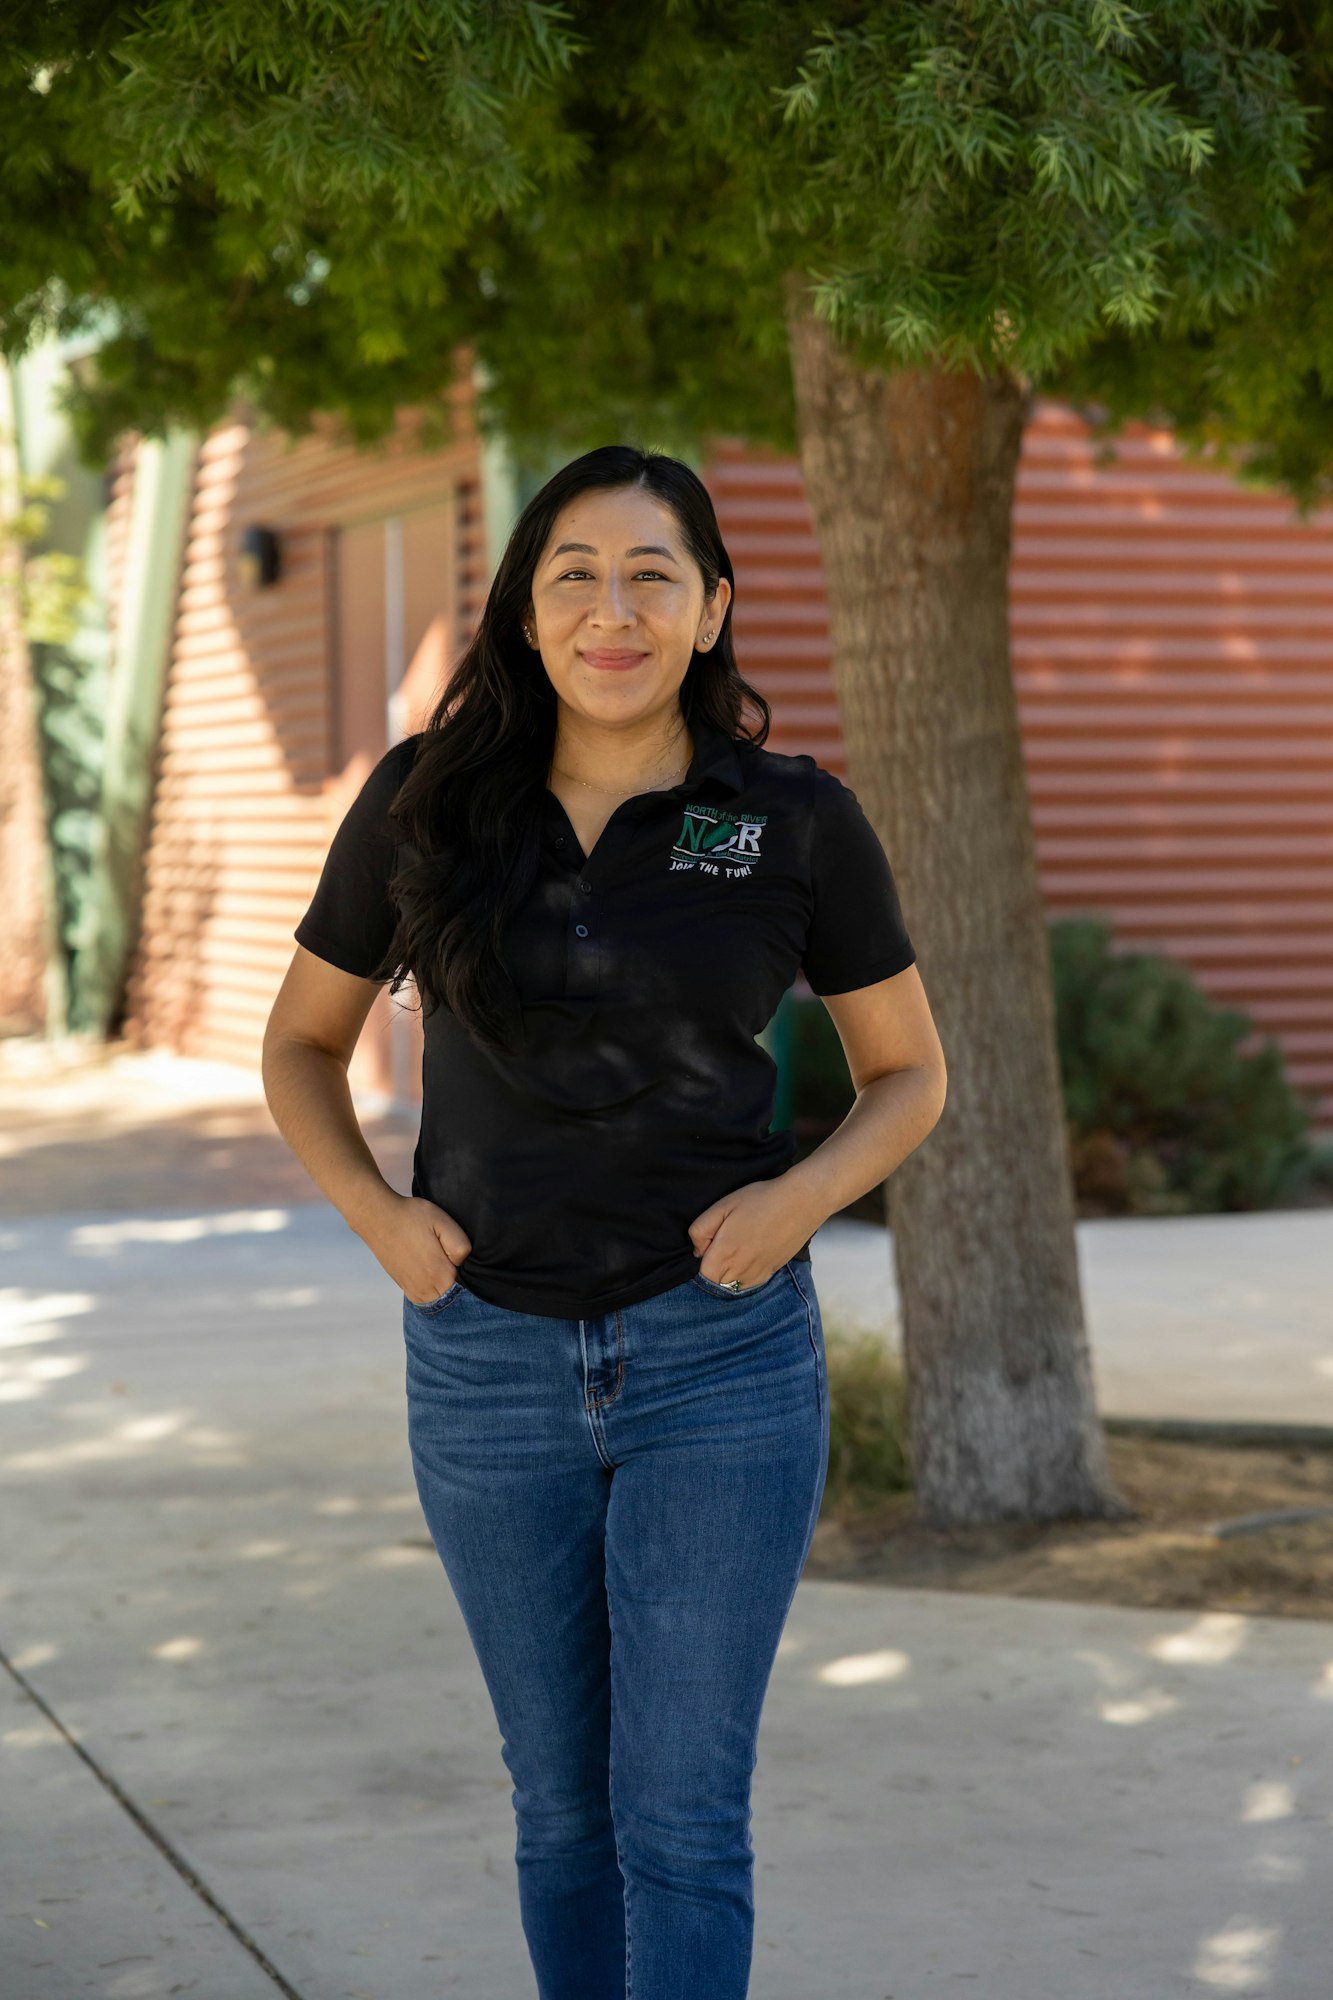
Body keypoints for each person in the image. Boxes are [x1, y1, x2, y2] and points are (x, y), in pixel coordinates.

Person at [262, 443, 947, 2000]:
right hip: (486, 1364)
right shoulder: (424, 802)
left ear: (712, 610)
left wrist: (794, 1201)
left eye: (652, 575)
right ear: (523, 612)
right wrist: (379, 1218)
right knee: (561, 1808)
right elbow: (297, 1046)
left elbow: (907, 1077)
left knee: (681, 1817)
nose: (611, 608)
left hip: (719, 1365)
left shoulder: (787, 820)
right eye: (572, 574)